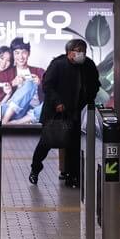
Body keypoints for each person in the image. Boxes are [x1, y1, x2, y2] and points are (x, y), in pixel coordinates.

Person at [29, 39, 100, 188]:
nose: (81, 53)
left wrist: (88, 99)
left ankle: (72, 176)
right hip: (55, 113)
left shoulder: (88, 65)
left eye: (83, 50)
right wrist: (57, 102)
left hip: (74, 112)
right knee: (46, 143)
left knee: (73, 145)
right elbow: (47, 85)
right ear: (69, 52)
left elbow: (95, 85)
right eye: (77, 50)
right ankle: (35, 169)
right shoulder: (58, 64)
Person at [2, 37, 46, 124]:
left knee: (51, 105)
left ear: (29, 53)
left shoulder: (40, 71)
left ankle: (17, 123)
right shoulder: (6, 73)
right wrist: (12, 83)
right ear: (13, 55)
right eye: (17, 53)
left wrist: (40, 84)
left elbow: (52, 91)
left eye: (24, 52)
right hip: (13, 112)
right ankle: (5, 121)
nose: (21, 57)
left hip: (33, 112)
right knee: (30, 83)